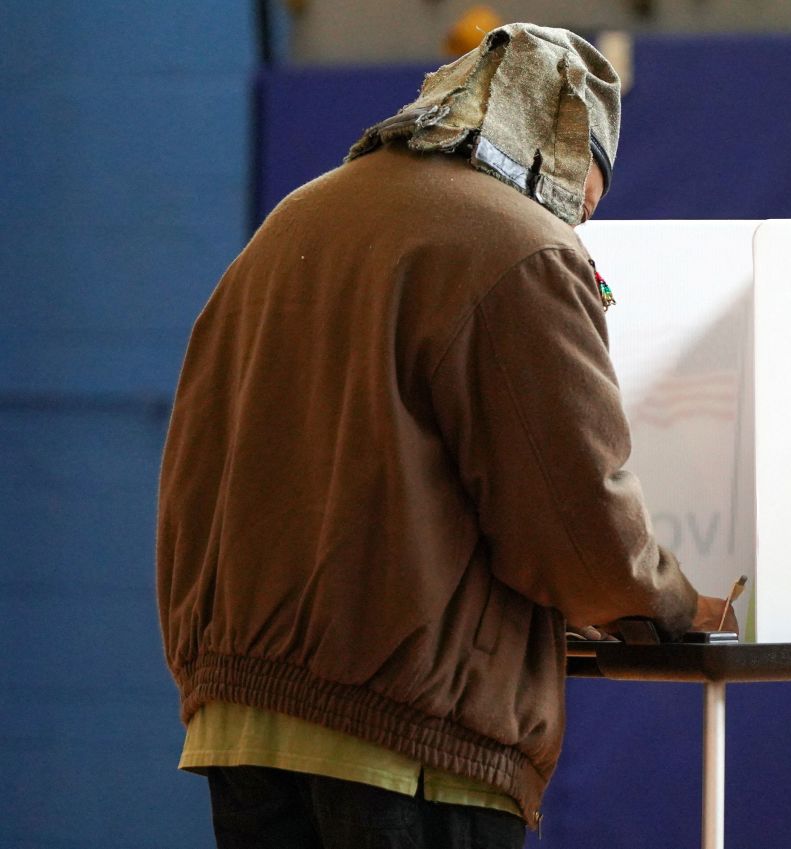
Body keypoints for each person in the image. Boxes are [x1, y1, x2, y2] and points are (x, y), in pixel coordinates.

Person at [156, 23, 734, 849]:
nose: (580, 217)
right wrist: (678, 606)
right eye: (588, 194)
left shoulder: (290, 224)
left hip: (239, 722)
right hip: (408, 737)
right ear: (566, 156)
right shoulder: (521, 246)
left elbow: (189, 477)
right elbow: (578, 523)